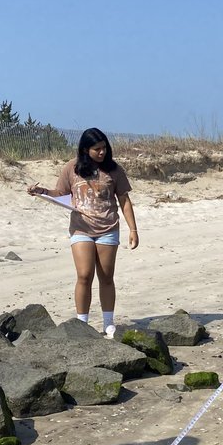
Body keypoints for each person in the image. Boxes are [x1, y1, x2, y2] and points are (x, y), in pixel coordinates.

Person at [28, 128, 138, 338]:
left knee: (106, 277)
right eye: (97, 149)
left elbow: (124, 200)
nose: (102, 152)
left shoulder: (114, 170)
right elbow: (60, 193)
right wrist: (41, 191)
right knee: (84, 275)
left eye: (104, 148)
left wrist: (133, 229)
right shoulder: (72, 168)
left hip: (108, 229)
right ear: (85, 149)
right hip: (81, 229)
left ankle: (108, 323)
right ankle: (82, 323)